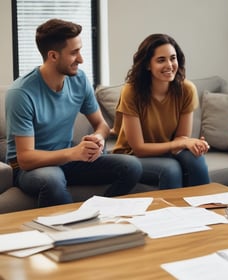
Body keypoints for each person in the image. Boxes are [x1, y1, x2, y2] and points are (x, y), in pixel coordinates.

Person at [5, 19, 142, 207]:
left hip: (67, 160)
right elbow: (26, 158)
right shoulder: (21, 93)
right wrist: (73, 153)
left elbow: (101, 125)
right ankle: (72, 228)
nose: (81, 59)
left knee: (131, 166)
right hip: (30, 168)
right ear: (53, 56)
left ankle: (98, 211)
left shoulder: (79, 80)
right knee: (52, 179)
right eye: (74, 53)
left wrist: (98, 139)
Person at [112, 33, 210, 189]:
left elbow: (181, 137)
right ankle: (171, 213)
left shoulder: (187, 89)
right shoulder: (131, 91)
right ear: (147, 65)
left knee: (196, 159)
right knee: (171, 169)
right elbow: (139, 148)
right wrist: (182, 142)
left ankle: (205, 209)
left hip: (167, 150)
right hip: (132, 156)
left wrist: (194, 144)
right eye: (161, 60)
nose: (170, 65)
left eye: (173, 58)